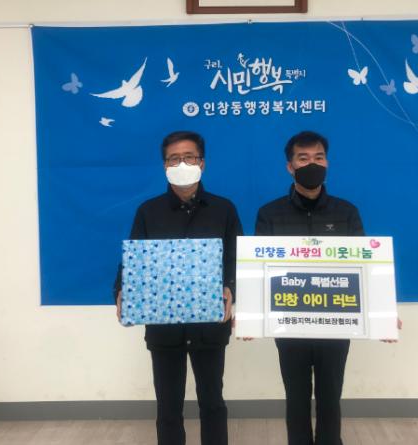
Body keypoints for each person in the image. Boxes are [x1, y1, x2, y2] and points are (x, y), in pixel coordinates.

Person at [114, 130, 243, 445]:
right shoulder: (148, 211)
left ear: (202, 162)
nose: (181, 164)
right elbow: (134, 258)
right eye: (174, 159)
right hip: (163, 325)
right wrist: (121, 290)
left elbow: (235, 257)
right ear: (164, 165)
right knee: (168, 406)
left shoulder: (224, 209)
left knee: (212, 401)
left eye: (189, 157)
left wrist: (230, 286)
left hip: (209, 322)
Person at [255, 130, 363, 445]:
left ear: (327, 163)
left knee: (330, 398)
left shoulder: (347, 212)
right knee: (296, 398)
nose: (312, 164)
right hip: (290, 325)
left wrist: (381, 313)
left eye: (319, 157)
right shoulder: (269, 214)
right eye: (303, 158)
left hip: (335, 324)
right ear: (290, 167)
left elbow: (365, 269)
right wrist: (251, 317)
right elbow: (258, 270)